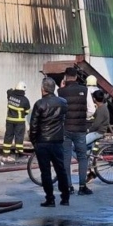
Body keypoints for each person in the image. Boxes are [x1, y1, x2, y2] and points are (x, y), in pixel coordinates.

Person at [29, 77, 69, 207]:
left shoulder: (39, 104)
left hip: (43, 142)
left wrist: (34, 142)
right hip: (57, 141)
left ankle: (50, 198)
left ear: (43, 89)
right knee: (61, 169)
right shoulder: (63, 103)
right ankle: (65, 197)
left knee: (45, 172)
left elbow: (34, 125)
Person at [58, 67, 92, 195]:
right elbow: (91, 110)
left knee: (66, 158)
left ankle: (68, 187)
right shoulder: (85, 90)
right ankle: (82, 187)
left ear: (65, 77)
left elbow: (58, 110)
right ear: (77, 77)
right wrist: (83, 117)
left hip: (65, 129)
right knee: (82, 157)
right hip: (80, 129)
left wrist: (61, 87)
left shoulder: (60, 92)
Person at [1, 81, 30, 156]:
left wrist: (12, 90)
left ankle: (6, 153)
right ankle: (19, 153)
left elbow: (8, 91)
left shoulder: (10, 95)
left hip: (9, 120)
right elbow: (27, 111)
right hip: (19, 122)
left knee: (8, 136)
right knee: (19, 137)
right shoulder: (25, 100)